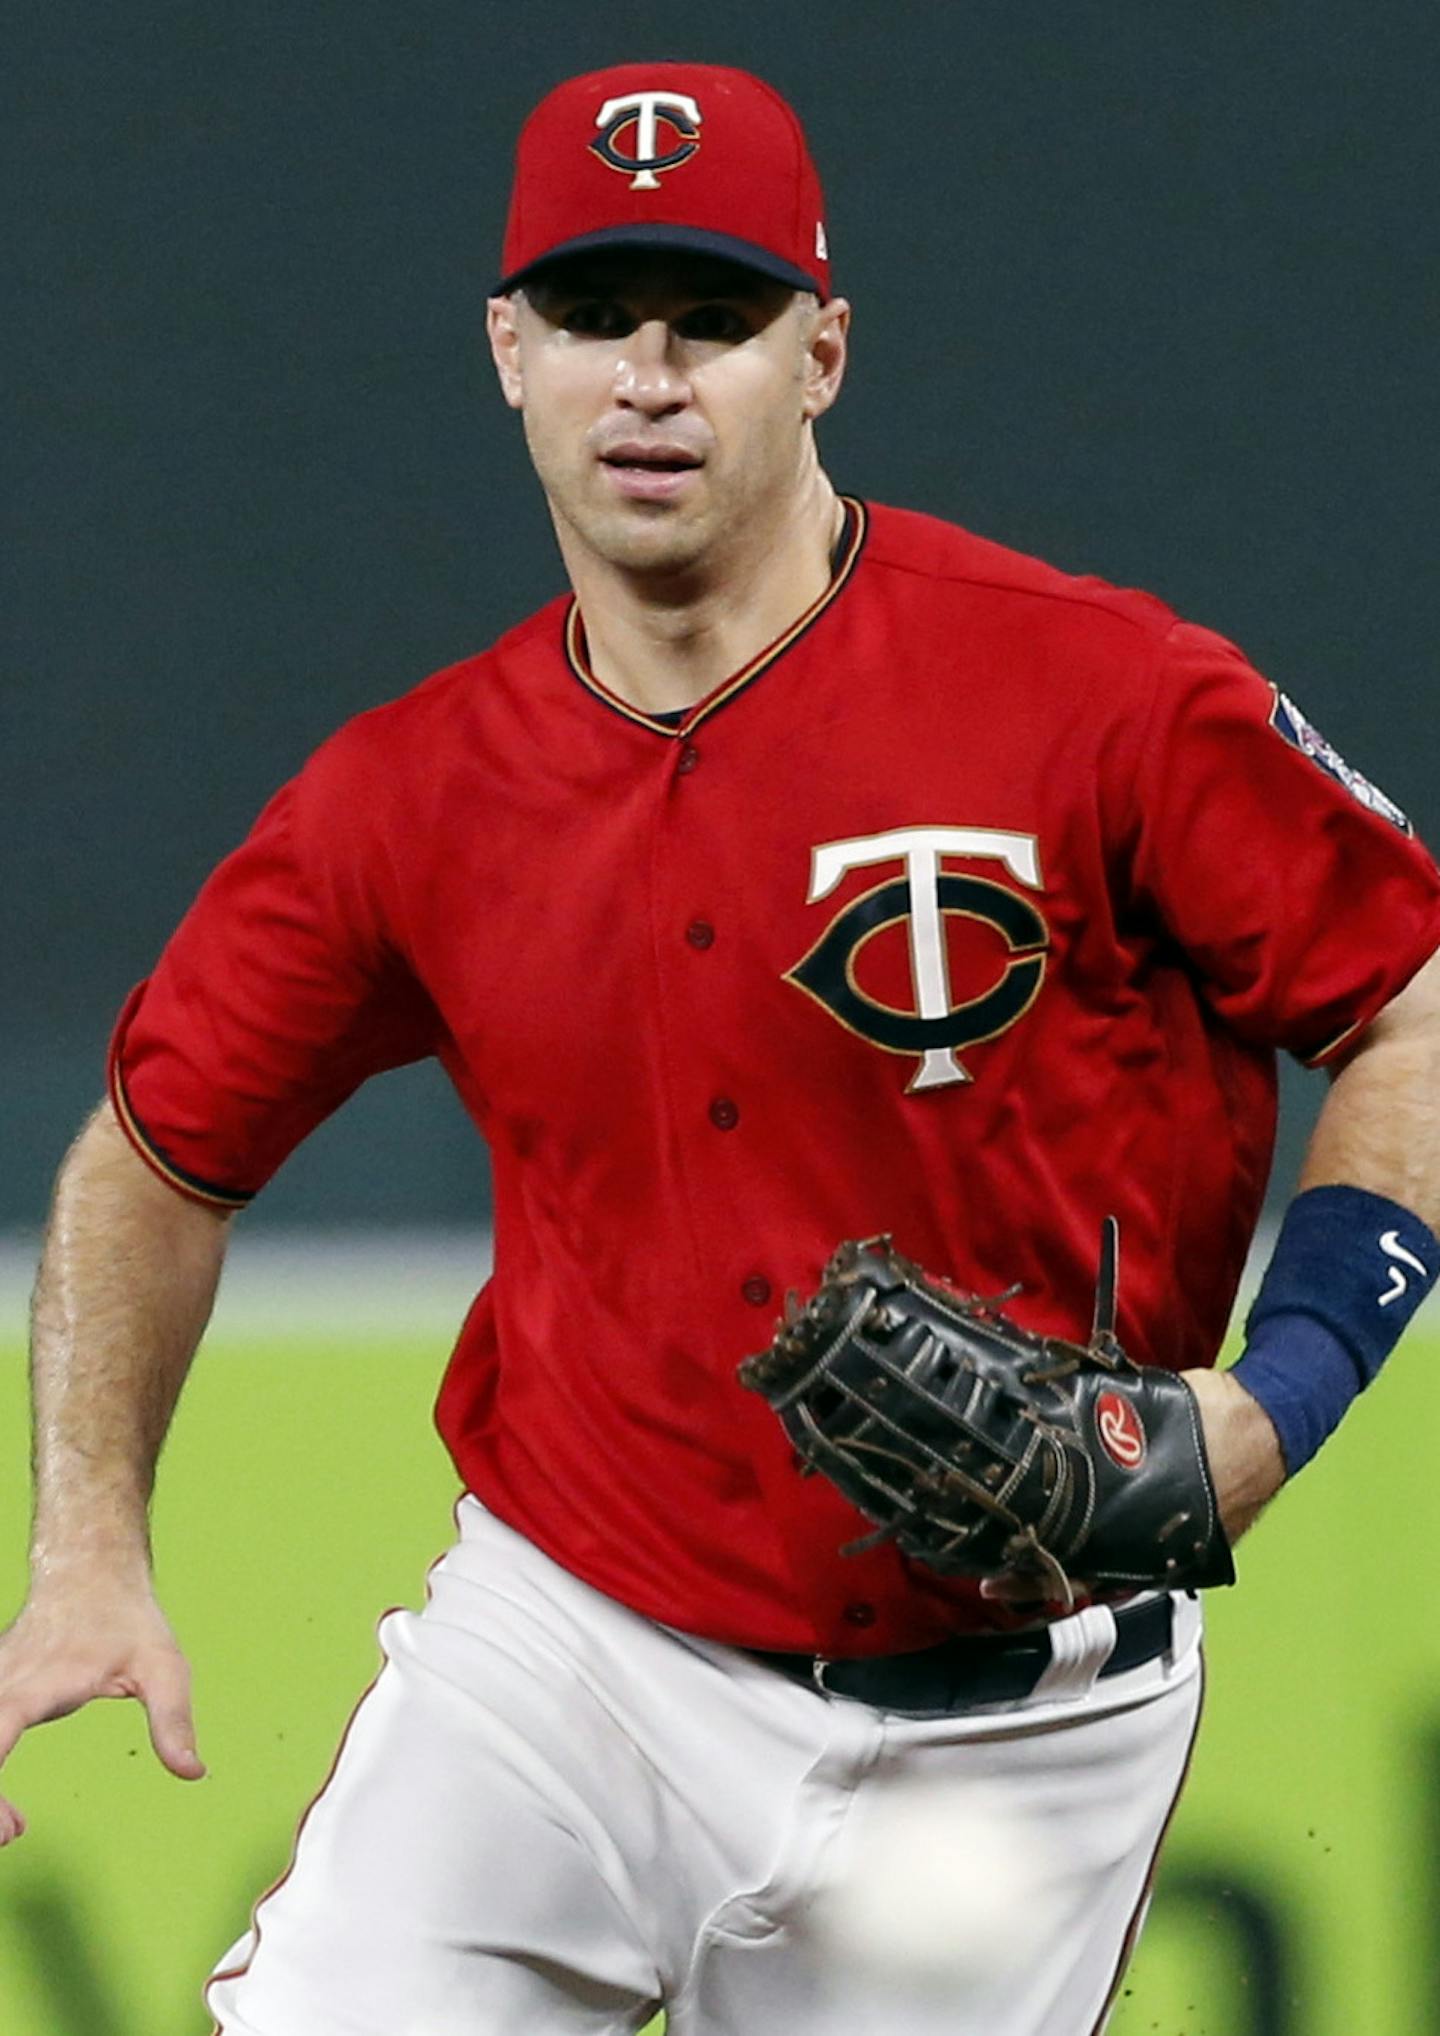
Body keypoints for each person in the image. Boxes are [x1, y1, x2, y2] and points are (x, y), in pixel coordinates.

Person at [2, 58, 1438, 2036]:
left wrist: (1280, 1395)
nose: (651, 374)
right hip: (574, 1655)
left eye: (718, 315)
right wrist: (87, 1528)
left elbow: (1412, 997)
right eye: (594, 314)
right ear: (508, 352)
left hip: (1011, 1738)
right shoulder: (412, 798)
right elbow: (153, 1156)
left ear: (823, 349)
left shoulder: (1091, 693)